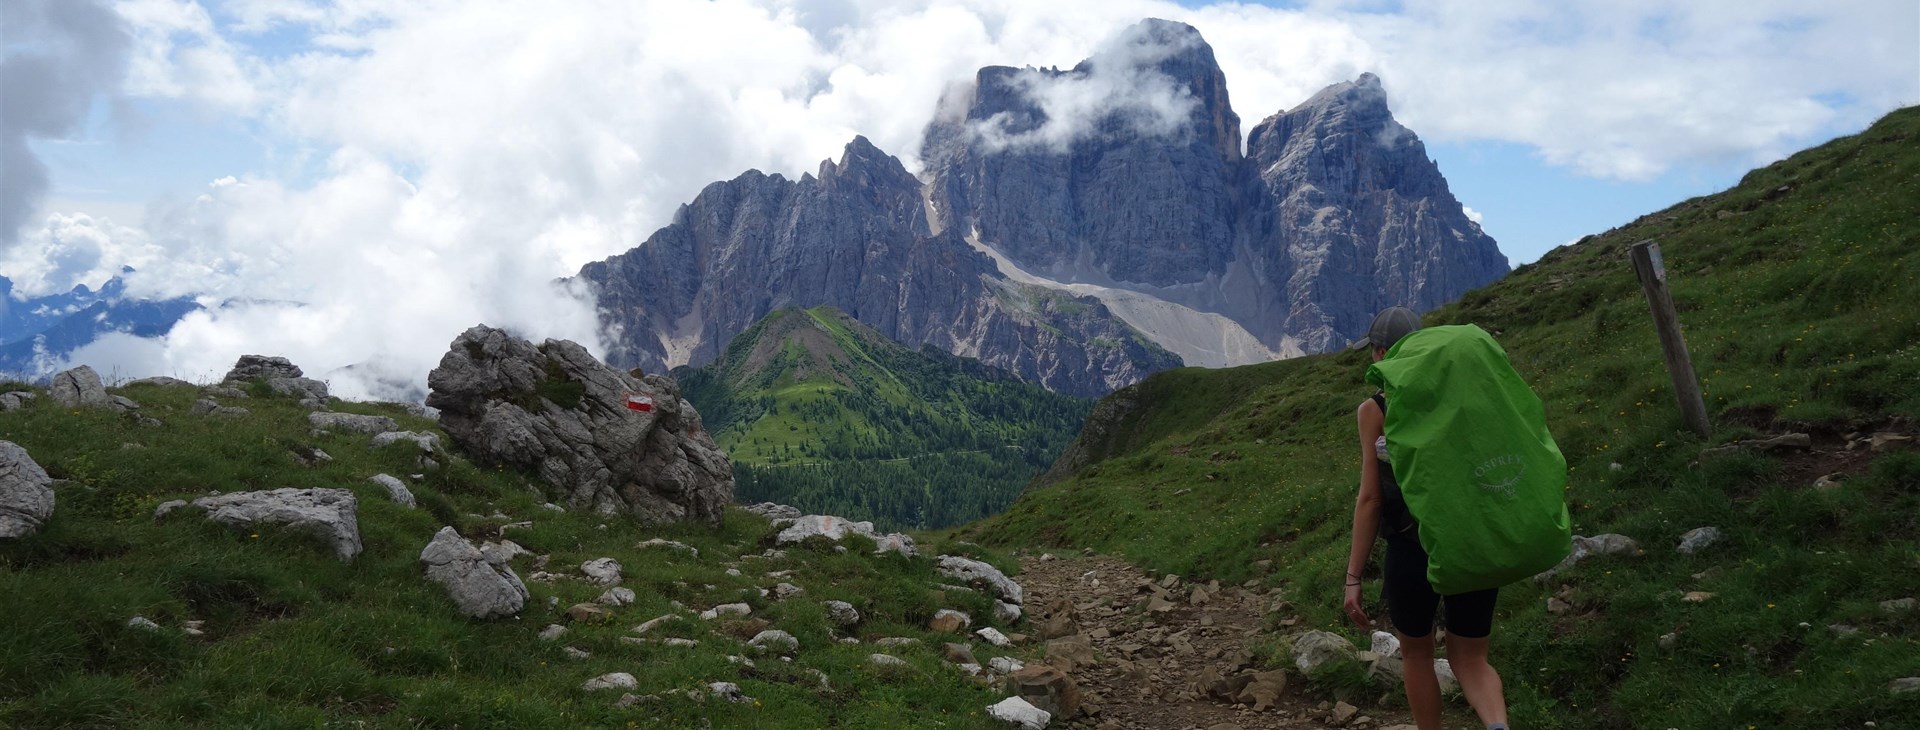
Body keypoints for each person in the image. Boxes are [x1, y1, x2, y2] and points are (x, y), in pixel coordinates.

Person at [1342, 306, 1510, 730]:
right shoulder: (1463, 393)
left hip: (1412, 548)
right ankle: (1497, 725)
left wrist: (1354, 577)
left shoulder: (1375, 410)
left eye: (1373, 351)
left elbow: (1370, 500)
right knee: (1472, 659)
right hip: (1473, 541)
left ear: (1381, 353)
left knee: (1416, 654)